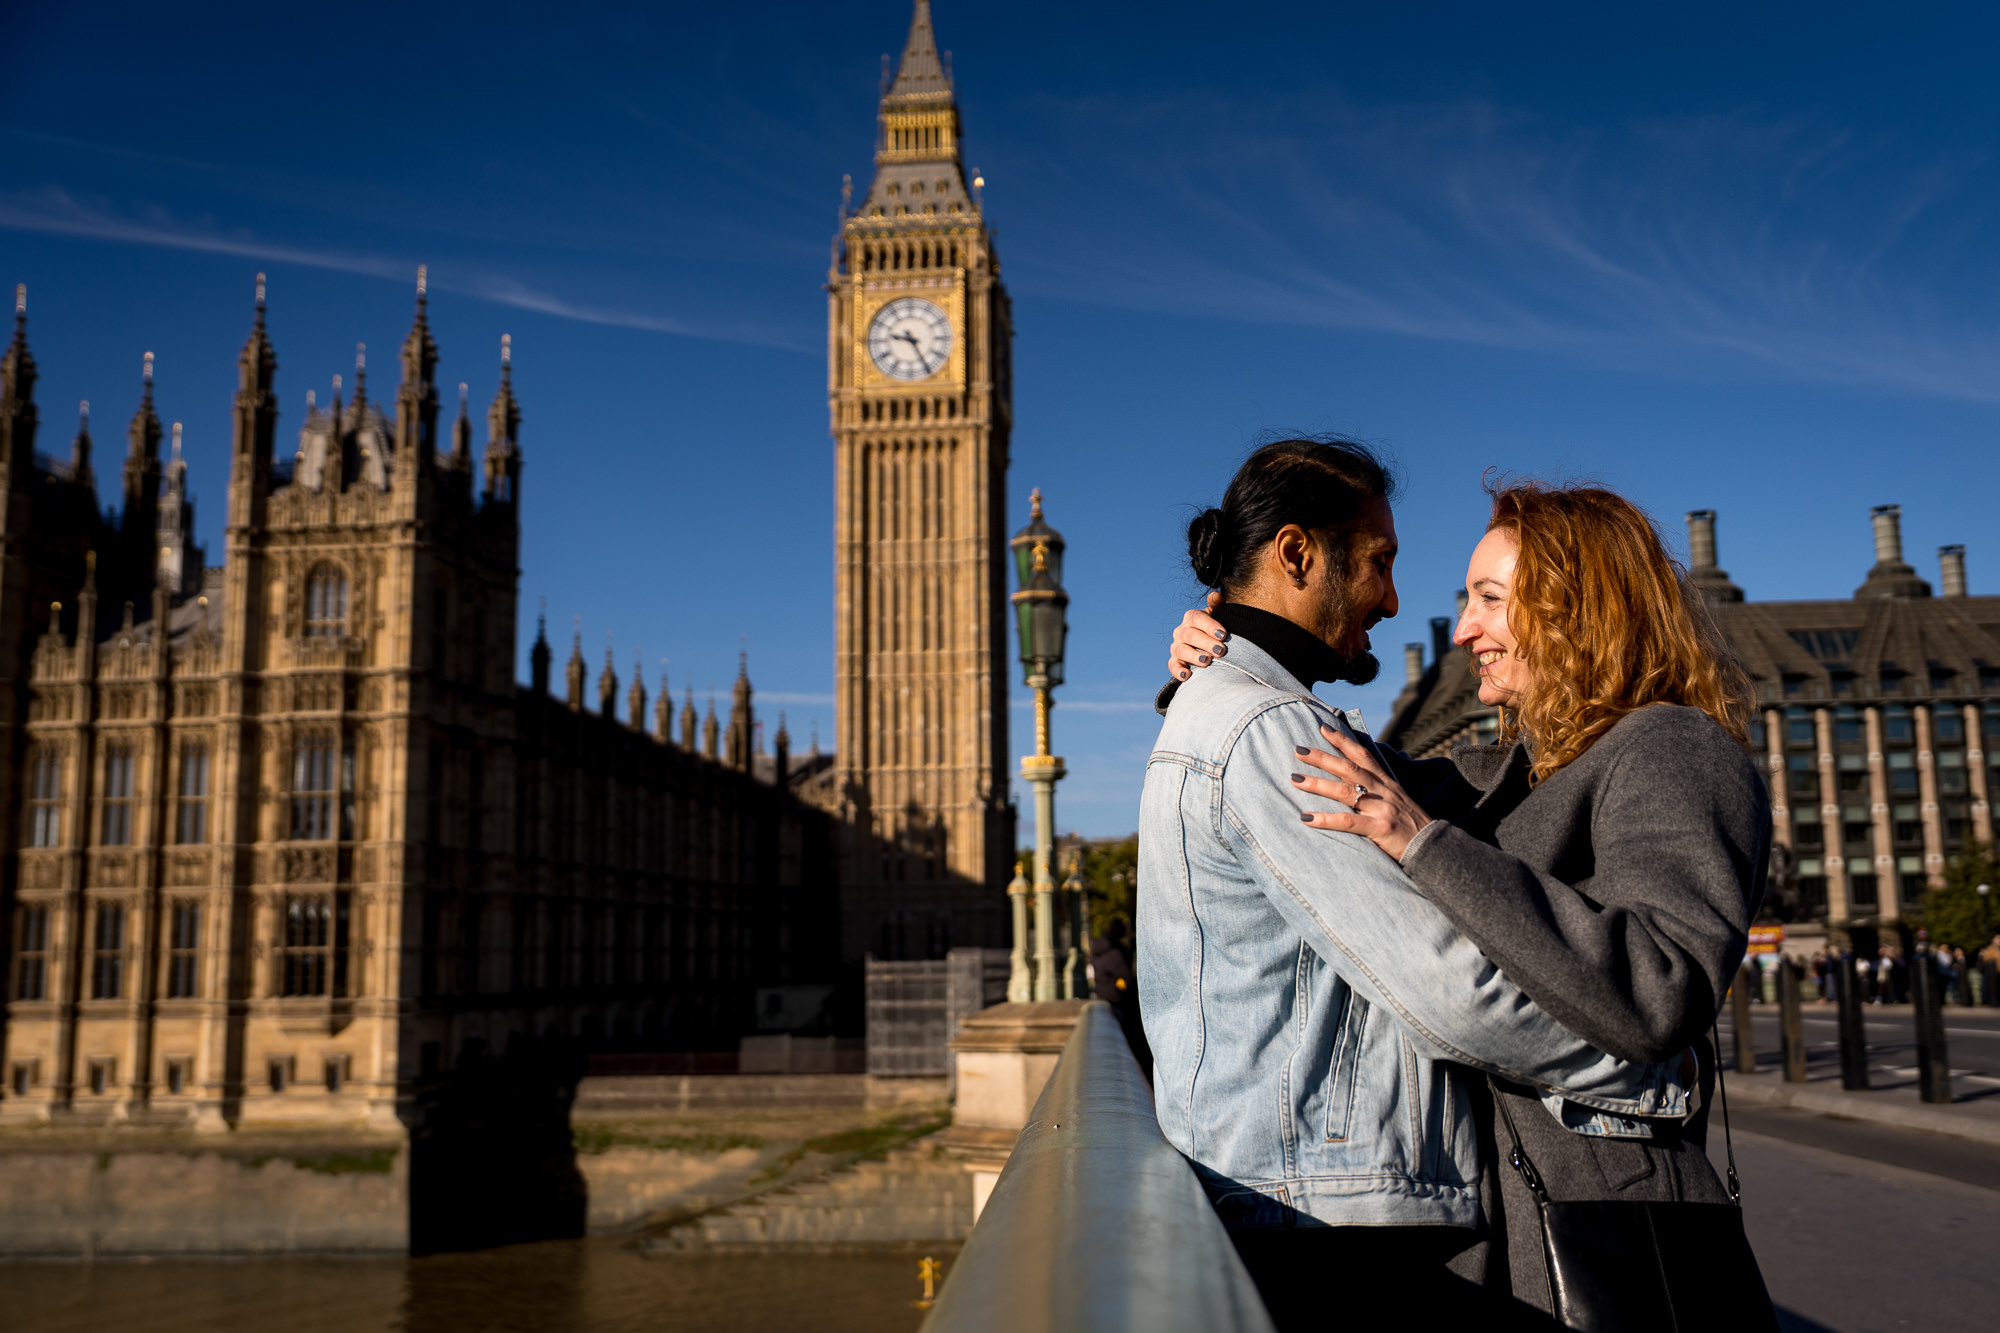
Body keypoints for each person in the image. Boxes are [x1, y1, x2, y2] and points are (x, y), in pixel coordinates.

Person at [1166, 475, 1776, 1325]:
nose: (1464, 629)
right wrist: (1230, 651)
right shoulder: (1516, 772)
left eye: (1489, 600)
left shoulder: (1677, 749)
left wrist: (1425, 842)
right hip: (1517, 1216)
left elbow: (1660, 986)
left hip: (1607, 1221)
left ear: (1577, 607)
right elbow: (1321, 754)